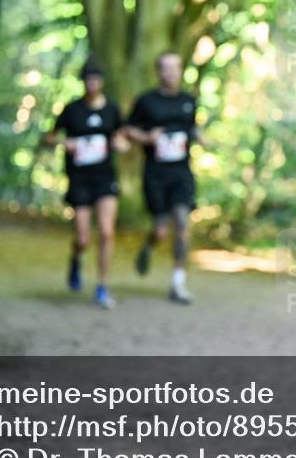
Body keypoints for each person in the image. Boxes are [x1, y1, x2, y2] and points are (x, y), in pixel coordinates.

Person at [45, 57, 126, 309]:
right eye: (88, 79)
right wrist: (63, 143)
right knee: (83, 237)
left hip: (105, 178)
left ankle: (102, 285)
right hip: (79, 178)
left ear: (101, 82)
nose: (92, 84)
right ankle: (76, 257)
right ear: (83, 82)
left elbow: (121, 136)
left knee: (106, 231)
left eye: (96, 79)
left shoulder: (112, 109)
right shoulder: (71, 110)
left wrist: (120, 144)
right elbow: (49, 137)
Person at [124, 52, 205, 305]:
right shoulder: (146, 102)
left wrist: (200, 136)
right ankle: (149, 245)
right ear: (159, 72)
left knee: (182, 223)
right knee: (161, 230)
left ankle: (178, 284)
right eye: (166, 68)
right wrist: (147, 138)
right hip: (155, 173)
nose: (171, 73)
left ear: (181, 70)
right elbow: (127, 129)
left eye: (176, 68)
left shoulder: (189, 101)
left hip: (181, 172)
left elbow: (192, 128)